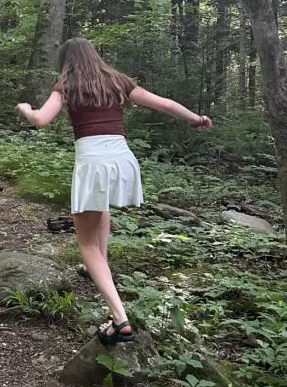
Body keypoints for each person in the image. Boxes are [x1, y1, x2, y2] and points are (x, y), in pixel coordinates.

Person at [16, 37, 212, 345]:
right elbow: (164, 103)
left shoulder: (67, 85)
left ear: (66, 62)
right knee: (101, 206)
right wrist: (196, 119)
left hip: (93, 162)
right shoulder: (117, 81)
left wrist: (26, 109)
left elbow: (41, 119)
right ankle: (99, 264)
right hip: (122, 159)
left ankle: (120, 320)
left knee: (86, 243)